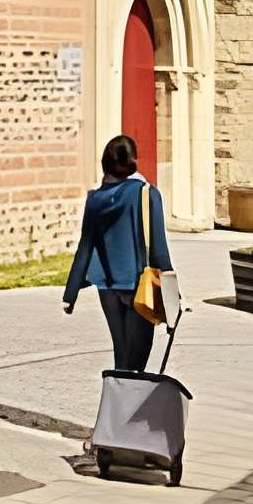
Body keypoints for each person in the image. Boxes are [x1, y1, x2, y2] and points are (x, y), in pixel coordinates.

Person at [62, 133, 173, 374]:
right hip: (137, 283)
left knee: (121, 354)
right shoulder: (146, 194)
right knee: (138, 359)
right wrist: (173, 300)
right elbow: (159, 250)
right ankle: (127, 407)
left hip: (107, 287)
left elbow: (86, 245)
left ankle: (116, 405)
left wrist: (70, 294)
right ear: (133, 163)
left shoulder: (95, 200)